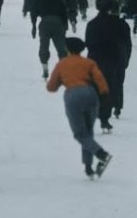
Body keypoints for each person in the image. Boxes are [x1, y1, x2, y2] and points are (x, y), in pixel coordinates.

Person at [46, 37, 113, 180]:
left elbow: (51, 87)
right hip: (90, 94)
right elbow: (100, 78)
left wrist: (60, 82)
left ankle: (102, 155)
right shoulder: (89, 63)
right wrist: (104, 93)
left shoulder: (62, 64)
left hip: (73, 96)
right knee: (88, 132)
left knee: (80, 134)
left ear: (67, 49)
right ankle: (88, 167)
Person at [85, 0, 132, 132]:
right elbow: (127, 44)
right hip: (114, 59)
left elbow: (89, 43)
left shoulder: (92, 24)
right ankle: (105, 119)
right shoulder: (120, 24)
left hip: (95, 59)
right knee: (111, 87)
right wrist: (126, 59)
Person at [34, 0, 68, 78]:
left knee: (44, 47)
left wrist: (33, 26)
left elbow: (34, 12)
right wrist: (65, 26)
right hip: (58, 23)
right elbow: (64, 13)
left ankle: (45, 68)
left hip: (44, 22)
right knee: (61, 48)